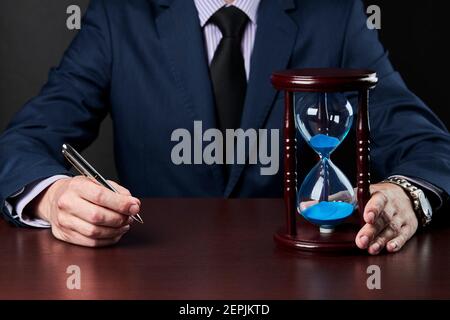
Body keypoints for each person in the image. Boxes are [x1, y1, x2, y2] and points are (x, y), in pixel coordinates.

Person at [0, 0, 449, 253]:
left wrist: (407, 194)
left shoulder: (336, 15)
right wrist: (53, 198)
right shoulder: (119, 17)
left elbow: (428, 143)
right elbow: (23, 141)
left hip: (302, 274)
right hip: (151, 271)